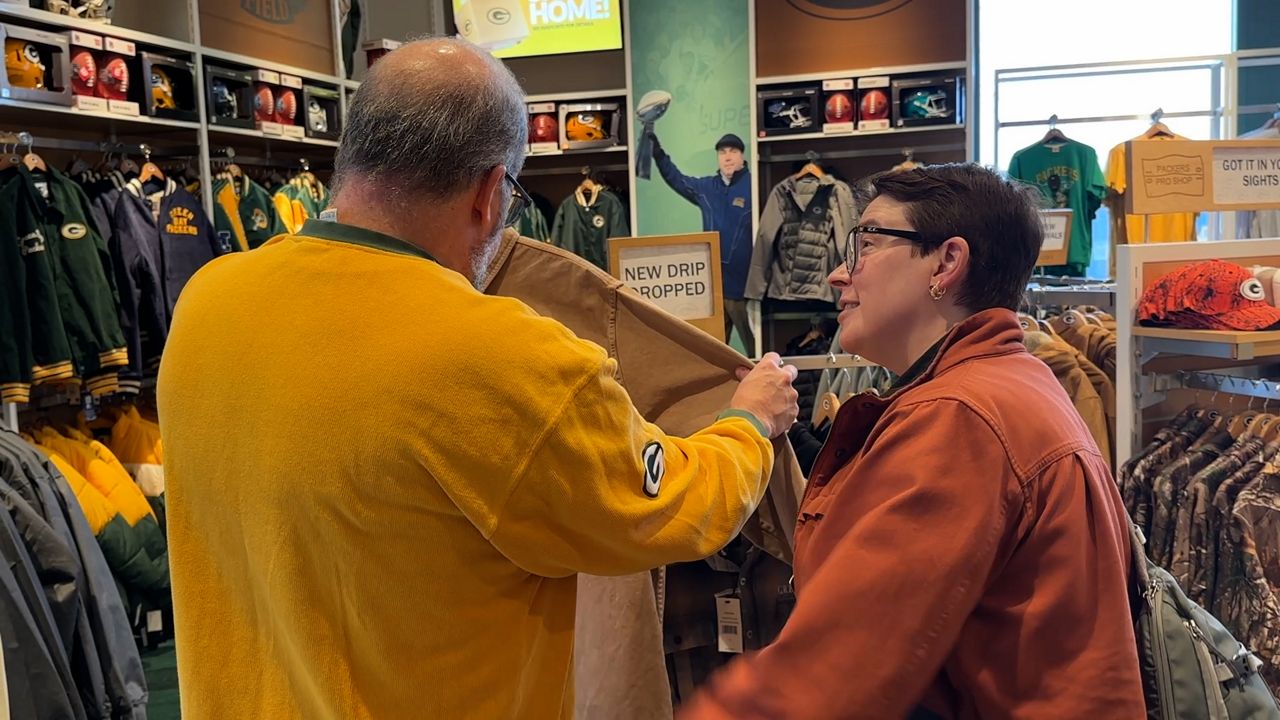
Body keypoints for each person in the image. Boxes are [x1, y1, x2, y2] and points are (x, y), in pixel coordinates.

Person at [157, 38, 800, 719]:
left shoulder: (208, 301)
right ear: (492, 193)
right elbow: (677, 506)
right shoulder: (502, 353)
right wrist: (751, 418)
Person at [680, 164, 1146, 718]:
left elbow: (830, 673)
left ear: (947, 262)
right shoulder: (1008, 383)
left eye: (867, 243)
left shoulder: (961, 418)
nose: (836, 274)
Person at [650, 130, 755, 351]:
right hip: (713, 288)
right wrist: (658, 154)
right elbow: (676, 178)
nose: (727, 156)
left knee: (757, 351)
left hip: (744, 289)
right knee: (715, 354)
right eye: (722, 152)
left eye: (733, 151)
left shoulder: (754, 186)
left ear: (742, 156)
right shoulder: (706, 188)